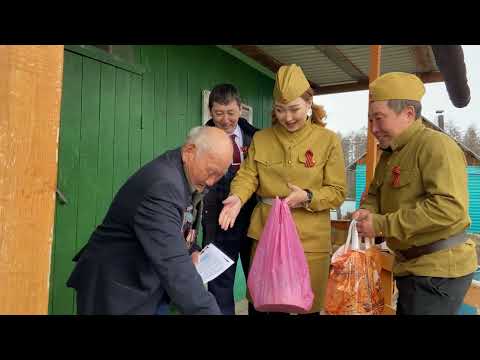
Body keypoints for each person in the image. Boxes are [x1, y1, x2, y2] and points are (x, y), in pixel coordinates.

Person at [219, 64, 347, 316]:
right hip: (269, 235)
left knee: (307, 306)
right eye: (280, 110)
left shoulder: (328, 140)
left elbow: (337, 190)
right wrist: (237, 196)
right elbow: (248, 175)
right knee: (266, 304)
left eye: (294, 109)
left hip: (309, 239)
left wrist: (308, 196)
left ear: (309, 104)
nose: (288, 117)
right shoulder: (262, 139)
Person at [66, 126, 233, 315]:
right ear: (189, 152)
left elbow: (180, 225)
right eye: (210, 172)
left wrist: (192, 249)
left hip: (149, 285)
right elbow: (175, 267)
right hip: (116, 291)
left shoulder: (187, 174)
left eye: (219, 175)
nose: (212, 181)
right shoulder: (163, 186)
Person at [353, 72, 478, 315]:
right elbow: (375, 193)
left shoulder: (436, 146)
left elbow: (448, 208)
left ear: (409, 114)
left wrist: (381, 225)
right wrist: (366, 212)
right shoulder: (390, 154)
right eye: (371, 121)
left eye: (379, 119)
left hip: (437, 272)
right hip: (411, 267)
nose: (374, 129)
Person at [202, 84, 258, 315]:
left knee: (258, 283)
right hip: (217, 222)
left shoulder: (256, 137)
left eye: (231, 113)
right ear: (210, 112)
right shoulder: (200, 140)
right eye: (219, 114)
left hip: (252, 220)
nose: (225, 120)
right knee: (219, 285)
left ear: (240, 110)